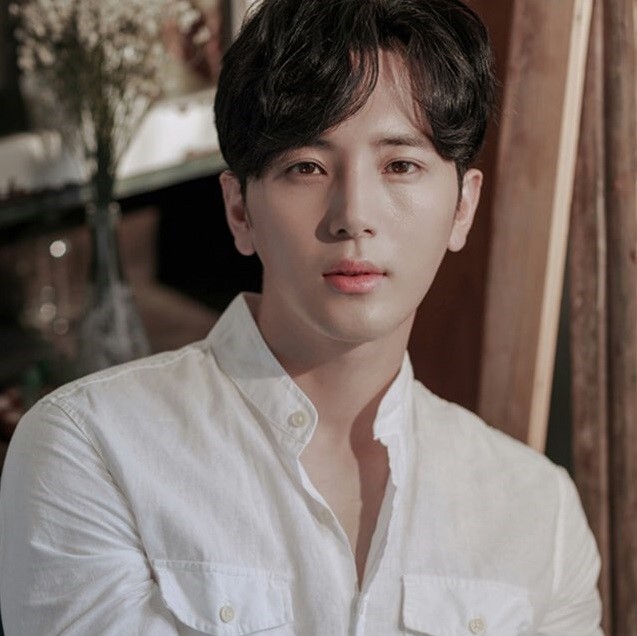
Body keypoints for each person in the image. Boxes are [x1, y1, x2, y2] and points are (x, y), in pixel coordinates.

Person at [0, 0, 603, 634]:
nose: (354, 214)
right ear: (239, 210)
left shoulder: (538, 514)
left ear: (462, 208)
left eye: (400, 165)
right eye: (306, 167)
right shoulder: (94, 450)